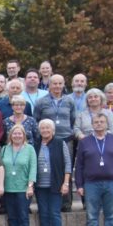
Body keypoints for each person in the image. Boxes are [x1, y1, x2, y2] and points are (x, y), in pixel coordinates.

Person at [35, 75, 77, 210]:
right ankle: (52, 202)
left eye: (60, 83)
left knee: (66, 170)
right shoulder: (41, 102)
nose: (57, 86)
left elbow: (73, 119)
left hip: (66, 139)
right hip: (49, 140)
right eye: (54, 84)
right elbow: (37, 120)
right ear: (49, 85)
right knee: (51, 170)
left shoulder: (69, 101)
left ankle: (66, 203)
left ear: (64, 84)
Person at [34, 119, 71, 226]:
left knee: (54, 214)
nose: (45, 130)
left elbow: (67, 164)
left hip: (56, 184)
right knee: (43, 214)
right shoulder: (36, 144)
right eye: (42, 128)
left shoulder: (60, 143)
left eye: (47, 128)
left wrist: (66, 183)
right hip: (40, 186)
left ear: (53, 130)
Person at [1, 125, 36, 226]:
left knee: (23, 217)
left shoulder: (29, 149)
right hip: (8, 188)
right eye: (14, 134)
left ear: (24, 135)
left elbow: (33, 168)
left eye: (19, 134)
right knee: (12, 217)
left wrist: (30, 186)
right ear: (10, 135)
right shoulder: (4, 149)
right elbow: (1, 168)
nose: (17, 136)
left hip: (23, 189)